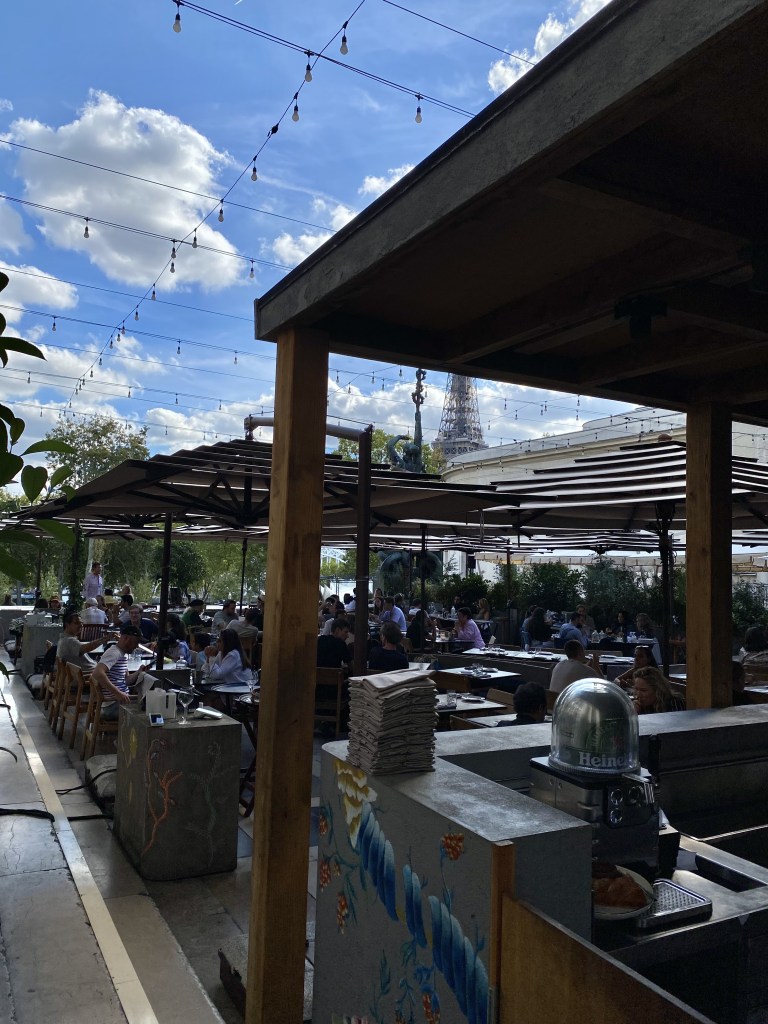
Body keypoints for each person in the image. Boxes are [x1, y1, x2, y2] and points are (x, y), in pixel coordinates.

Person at [89, 623, 145, 720]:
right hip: (112, 705)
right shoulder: (114, 653)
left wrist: (139, 671)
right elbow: (97, 673)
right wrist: (118, 693)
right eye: (136, 642)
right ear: (126, 638)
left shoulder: (122, 654)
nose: (136, 646)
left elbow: (126, 681)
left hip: (117, 702)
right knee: (150, 710)